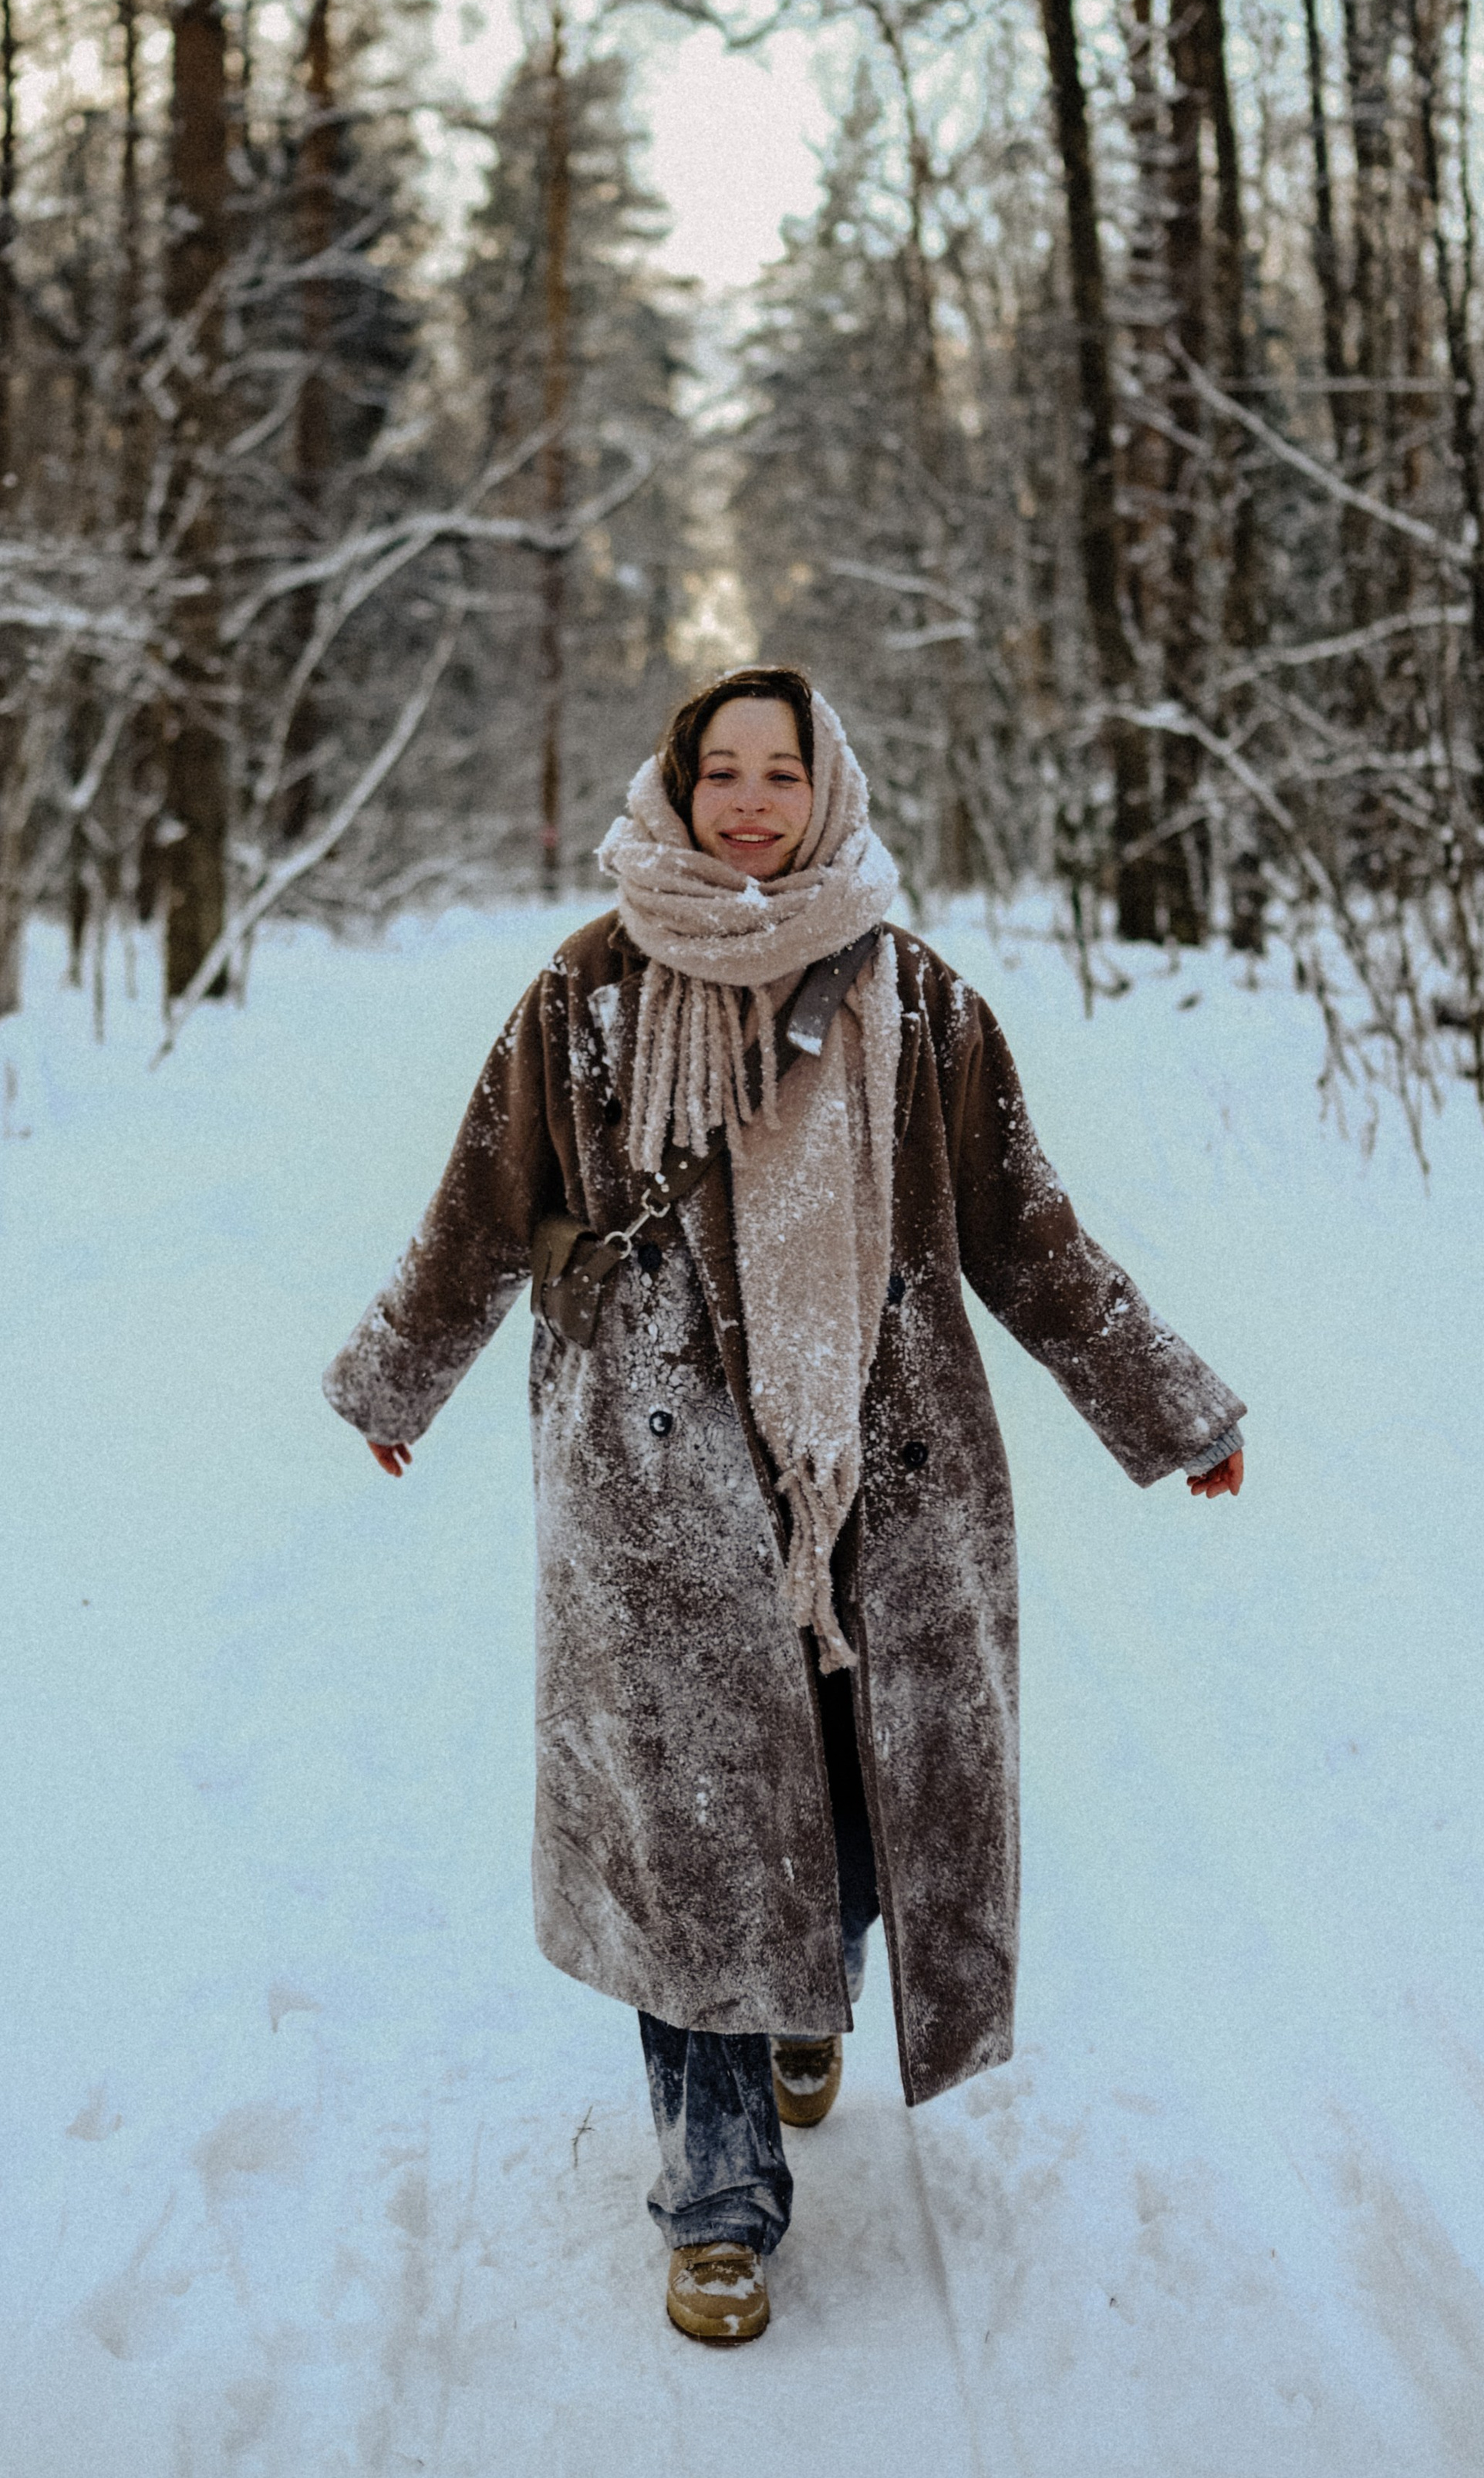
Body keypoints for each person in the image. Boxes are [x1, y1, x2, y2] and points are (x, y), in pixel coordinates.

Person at [323, 666, 1245, 2346]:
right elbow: (480, 1206)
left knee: (847, 1797)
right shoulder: (585, 997)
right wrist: (398, 1375)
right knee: (693, 1853)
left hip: (873, 1493)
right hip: (657, 1499)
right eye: (717, 774)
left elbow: (1023, 1237)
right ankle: (716, 2201)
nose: (748, 802)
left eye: (779, 771)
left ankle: (809, 1976)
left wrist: (1165, 1402)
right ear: (674, 795)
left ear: (827, 788)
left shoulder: (921, 1003)